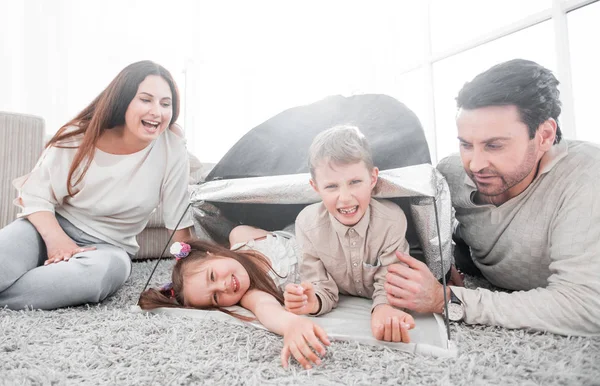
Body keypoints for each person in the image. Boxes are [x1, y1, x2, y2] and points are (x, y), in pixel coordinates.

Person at [384, 59, 600, 336]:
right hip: (480, 259)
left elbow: (586, 306)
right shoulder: (450, 172)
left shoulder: (586, 176)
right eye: (465, 144)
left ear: (545, 135)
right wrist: (440, 260)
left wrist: (446, 300)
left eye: (494, 145)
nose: (474, 165)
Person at [0, 60, 194, 310]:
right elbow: (35, 195)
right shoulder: (79, 135)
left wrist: (188, 267)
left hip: (108, 248)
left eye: (165, 103)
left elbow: (178, 220)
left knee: (98, 276)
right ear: (123, 100)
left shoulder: (172, 147)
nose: (157, 111)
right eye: (146, 100)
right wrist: (58, 241)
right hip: (45, 227)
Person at [284, 125, 415, 343]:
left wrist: (383, 308)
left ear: (373, 179)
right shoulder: (307, 224)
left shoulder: (392, 220)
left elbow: (391, 279)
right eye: (331, 186)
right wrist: (312, 301)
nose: (345, 198)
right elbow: (320, 285)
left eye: (355, 182)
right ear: (315, 187)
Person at [138, 226, 331, 370]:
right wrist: (290, 325)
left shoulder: (241, 236)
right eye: (215, 297)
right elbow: (266, 309)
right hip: (335, 259)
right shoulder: (251, 294)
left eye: (212, 276)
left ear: (212, 254)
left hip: (314, 228)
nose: (223, 287)